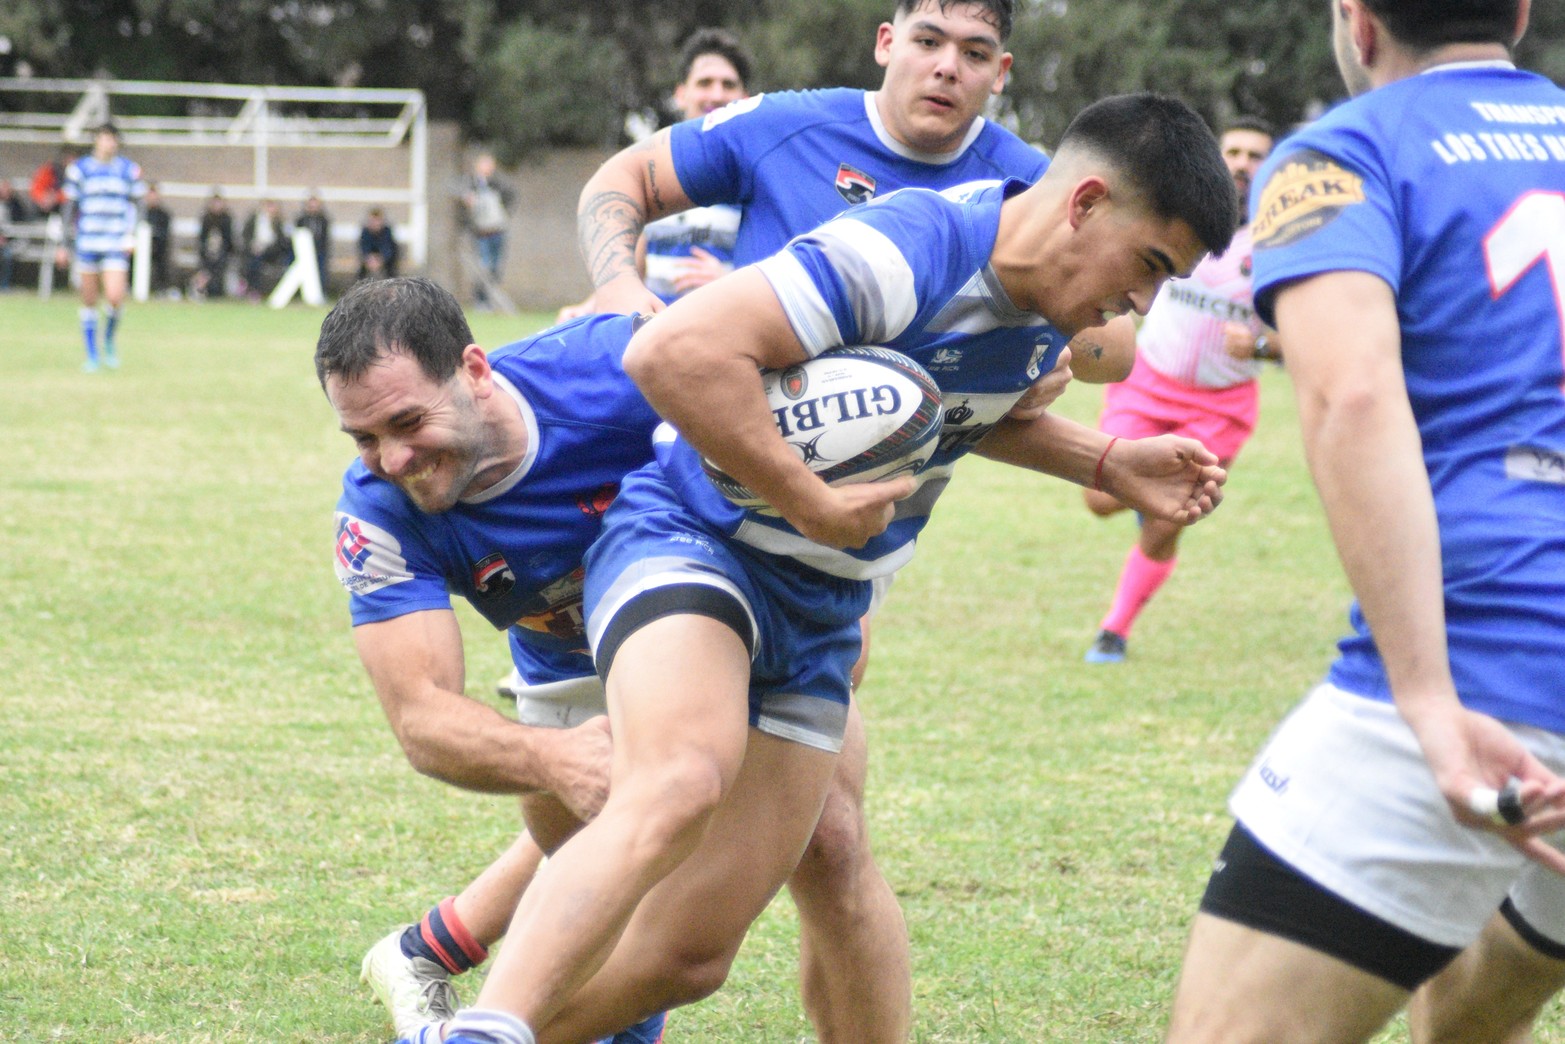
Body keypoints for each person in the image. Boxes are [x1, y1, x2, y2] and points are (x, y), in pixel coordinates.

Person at [429, 91, 1235, 1044]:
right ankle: (494, 1025)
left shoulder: (1045, 310)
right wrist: (804, 497)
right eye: (1149, 266)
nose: (1142, 303)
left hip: (820, 612)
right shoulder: (910, 248)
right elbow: (673, 353)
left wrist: (1105, 462)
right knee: (679, 777)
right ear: (1085, 202)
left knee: (690, 957)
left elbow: (953, 412)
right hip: (694, 542)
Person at [362, 5, 1082, 1041]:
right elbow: (623, 184)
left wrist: (1072, 371)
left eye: (972, 53)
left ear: (1001, 71)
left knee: (757, 849)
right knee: (701, 807)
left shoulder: (1030, 186)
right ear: (885, 40)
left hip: (839, 550)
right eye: (926, 38)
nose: (944, 67)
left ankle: (450, 962)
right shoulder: (786, 127)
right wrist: (621, 284)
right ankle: (464, 978)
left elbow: (1022, 374)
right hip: (706, 522)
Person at [1161, 2, 1565, 1042]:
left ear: (1355, 21)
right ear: (1516, 13)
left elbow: (1349, 397)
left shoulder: (1339, 155)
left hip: (1501, 658)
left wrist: (1424, 699)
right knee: (1484, 997)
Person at [1080, 116, 1279, 665]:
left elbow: (1316, 335)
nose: (1241, 163)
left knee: (1168, 518)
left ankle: (1114, 631)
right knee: (1098, 500)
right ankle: (1147, 495)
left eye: (1255, 155)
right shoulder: (1174, 215)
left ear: (1272, 167)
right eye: (1233, 150)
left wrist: (1263, 346)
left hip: (1221, 407)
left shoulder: (1283, 241)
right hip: (1149, 383)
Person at [556, 27, 753, 322]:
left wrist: (732, 281)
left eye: (728, 84)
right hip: (657, 342)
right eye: (705, 82)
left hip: (727, 335)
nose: (716, 94)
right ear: (681, 94)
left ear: (745, 97)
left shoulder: (755, 177)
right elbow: (632, 271)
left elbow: (789, 275)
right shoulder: (653, 177)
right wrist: (588, 308)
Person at [62, 123, 145, 372]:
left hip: (114, 242)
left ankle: (108, 339)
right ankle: (91, 353)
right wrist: (66, 243)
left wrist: (132, 235)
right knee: (88, 300)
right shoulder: (80, 169)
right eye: (104, 138)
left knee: (115, 297)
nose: (109, 143)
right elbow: (69, 206)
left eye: (112, 139)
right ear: (96, 141)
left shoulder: (128, 170)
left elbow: (139, 203)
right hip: (88, 241)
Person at [458, 153, 517, 309]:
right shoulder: (470, 184)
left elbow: (510, 197)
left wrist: (505, 213)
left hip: (497, 231)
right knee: (483, 267)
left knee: (495, 267)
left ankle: (490, 300)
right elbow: (461, 206)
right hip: (480, 233)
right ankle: (481, 301)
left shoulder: (499, 184)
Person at [241, 197, 293, 298]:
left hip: (272, 253)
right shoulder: (253, 220)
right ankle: (252, 288)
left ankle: (252, 288)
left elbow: (281, 242)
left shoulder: (279, 222)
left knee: (256, 260)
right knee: (253, 260)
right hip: (253, 250)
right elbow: (246, 237)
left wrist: (265, 248)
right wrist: (253, 246)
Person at [193, 189, 234, 299]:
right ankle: (202, 289)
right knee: (205, 267)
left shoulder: (226, 219)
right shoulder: (206, 219)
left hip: (222, 254)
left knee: (219, 267)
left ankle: (215, 291)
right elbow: (201, 240)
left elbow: (229, 241)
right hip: (207, 254)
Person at [296, 191, 333, 295]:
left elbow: (325, 240)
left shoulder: (324, 220)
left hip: (319, 251)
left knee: (321, 267)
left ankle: (321, 293)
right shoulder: (301, 220)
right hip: (303, 253)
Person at [142, 182, 174, 297]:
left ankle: (161, 288)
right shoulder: (142, 212)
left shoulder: (164, 214)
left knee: (162, 258)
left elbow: (165, 234)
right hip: (142, 248)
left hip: (159, 247)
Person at [0, 177, 28, 291]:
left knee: (7, 255)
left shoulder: (16, 205)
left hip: (11, 241)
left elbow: (20, 224)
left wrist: (7, 239)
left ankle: (4, 286)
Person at [358, 207, 399, 281]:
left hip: (384, 258)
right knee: (362, 270)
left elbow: (388, 248)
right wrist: (369, 259)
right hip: (371, 258)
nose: (375, 223)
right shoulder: (365, 232)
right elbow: (364, 247)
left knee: (391, 268)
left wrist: (381, 259)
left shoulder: (387, 231)